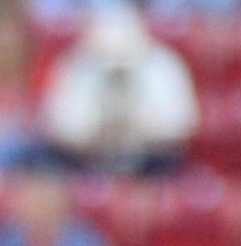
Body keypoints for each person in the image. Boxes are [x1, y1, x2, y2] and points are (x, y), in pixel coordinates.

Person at [37, 9, 195, 175]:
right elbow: (61, 130)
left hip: (152, 164)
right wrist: (98, 132)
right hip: (85, 164)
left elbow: (178, 128)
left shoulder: (164, 66)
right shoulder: (74, 66)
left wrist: (137, 130)